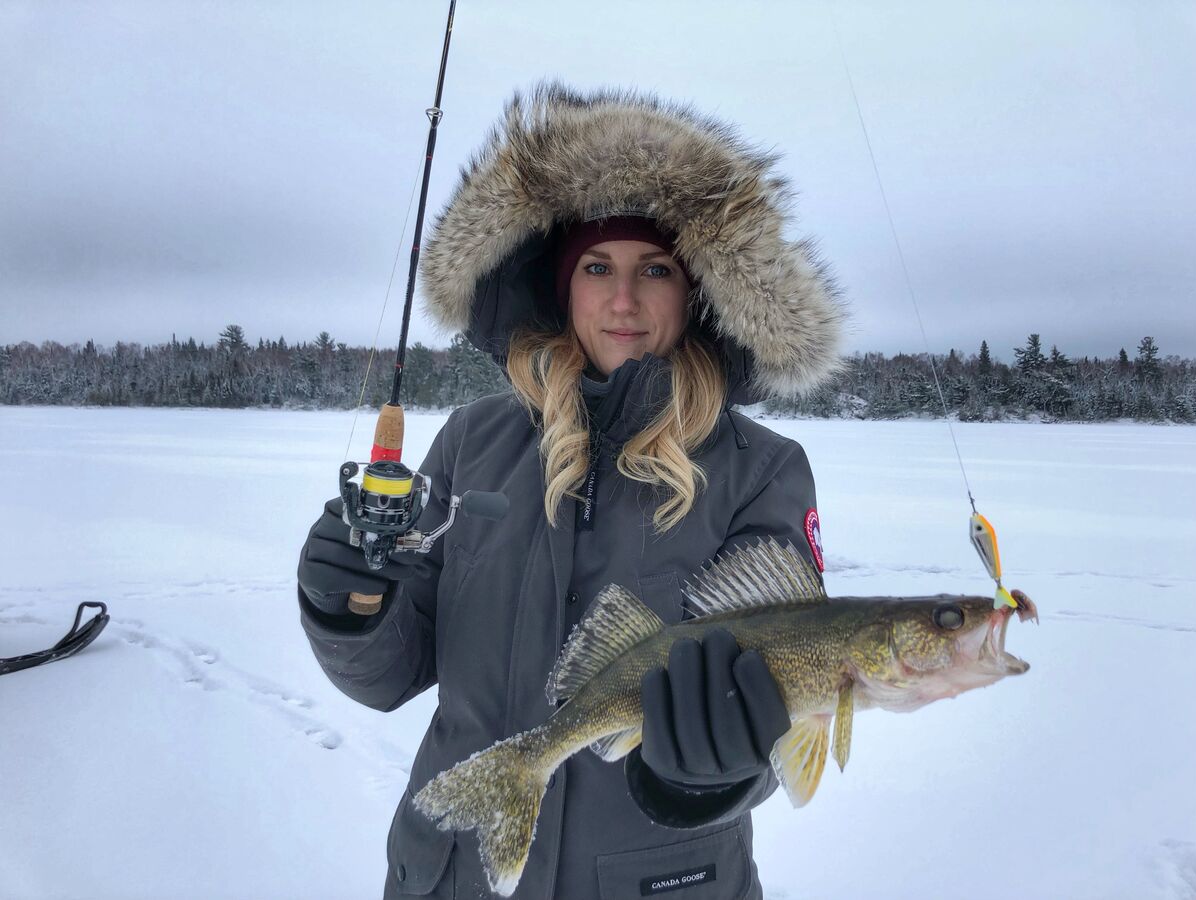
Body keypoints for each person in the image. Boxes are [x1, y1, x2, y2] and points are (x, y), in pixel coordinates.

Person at [297, 82, 844, 899]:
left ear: (693, 289)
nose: (623, 299)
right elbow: (392, 673)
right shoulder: (473, 442)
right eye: (597, 267)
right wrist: (349, 609)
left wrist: (711, 775)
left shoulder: (756, 469)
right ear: (564, 286)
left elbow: (790, 695)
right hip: (452, 874)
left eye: (653, 269)